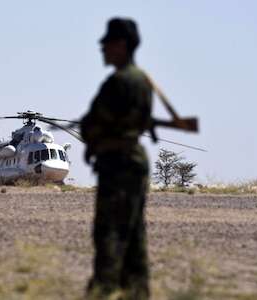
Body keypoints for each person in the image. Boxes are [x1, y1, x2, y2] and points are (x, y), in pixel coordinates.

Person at [80, 18, 152, 299]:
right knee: (134, 237)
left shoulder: (119, 83)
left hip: (118, 164)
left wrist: (91, 132)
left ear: (121, 45)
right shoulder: (143, 81)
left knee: (109, 234)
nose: (103, 51)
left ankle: (103, 290)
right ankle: (137, 291)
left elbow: (93, 122)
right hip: (133, 161)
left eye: (107, 45)